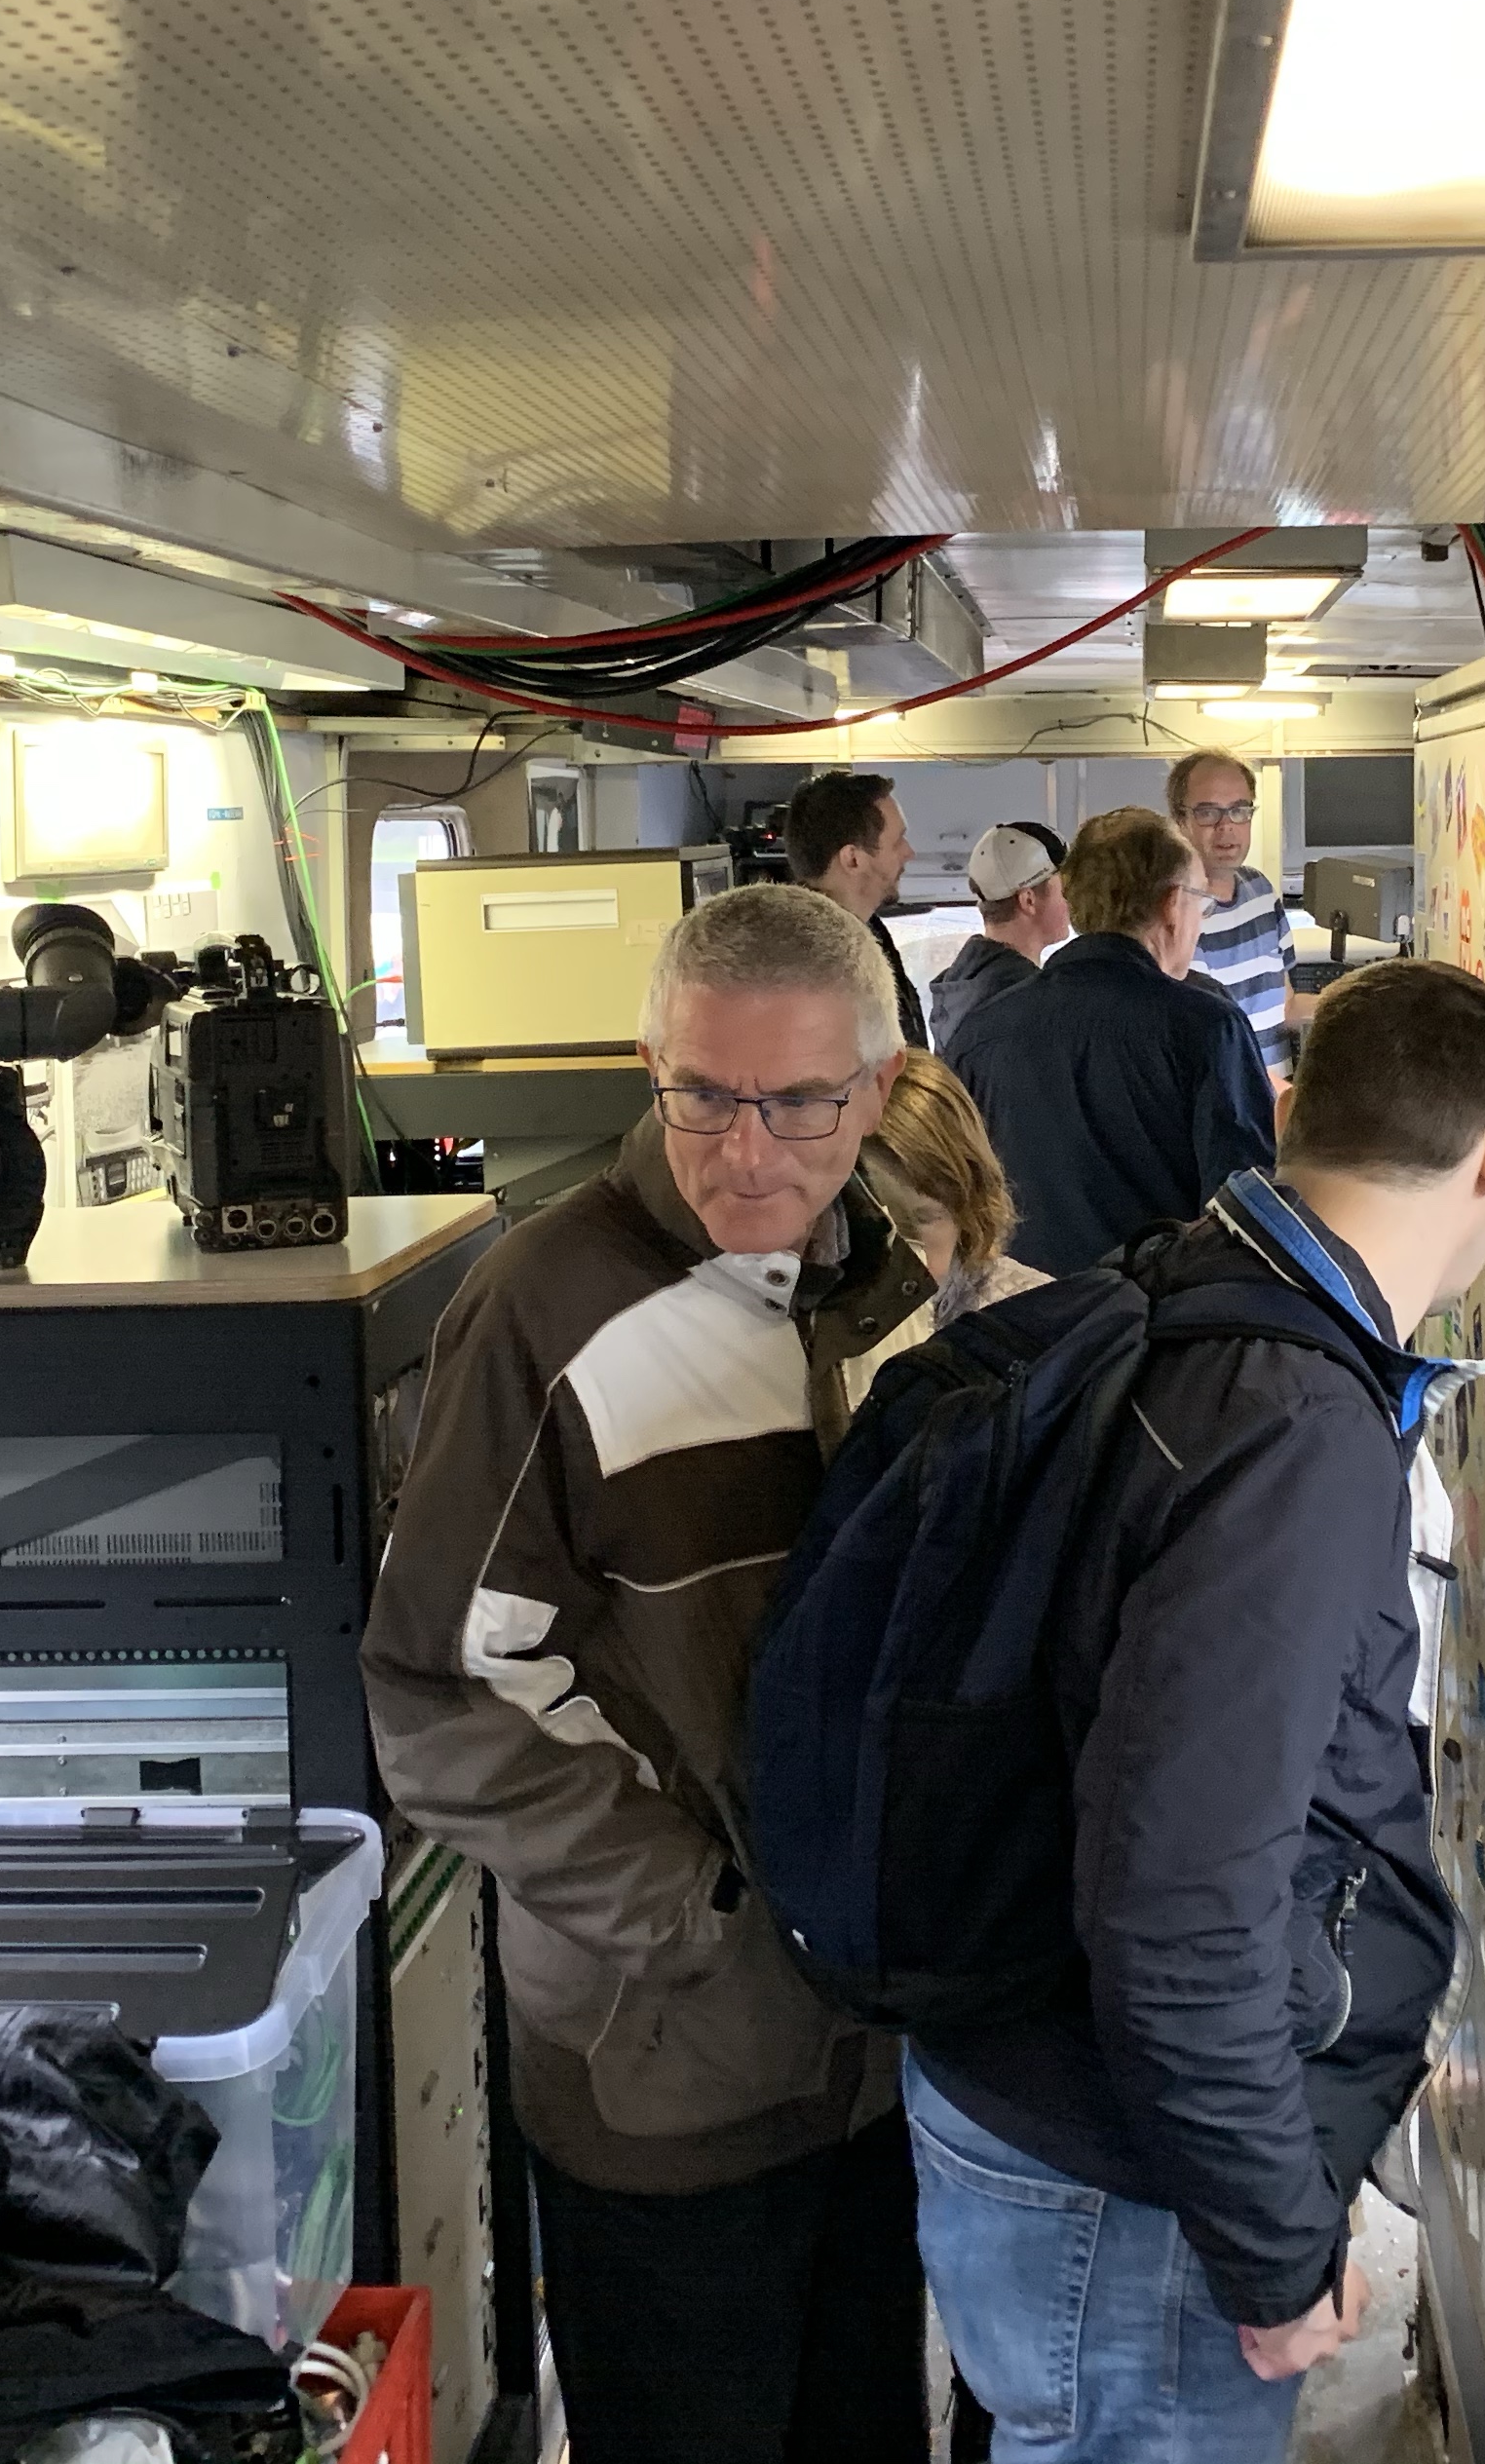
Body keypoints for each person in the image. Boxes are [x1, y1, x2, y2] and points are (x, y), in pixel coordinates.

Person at [903, 960, 1485, 2462]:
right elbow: (1180, 1898)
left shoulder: (1184, 1288)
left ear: (1293, 1109)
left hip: (1043, 2100)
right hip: (1132, 2187)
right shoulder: (1292, 1426)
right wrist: (1271, 2238)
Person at [361, 881, 936, 2464]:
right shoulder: (541, 1309)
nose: (747, 1150)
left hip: (874, 2067)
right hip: (662, 2069)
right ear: (649, 1065)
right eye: (702, 1095)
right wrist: (700, 1917)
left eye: (799, 1101)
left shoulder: (883, 1285)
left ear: (878, 1086)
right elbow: (436, 1689)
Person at [945, 807, 1275, 1274]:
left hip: (1021, 1312)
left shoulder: (978, 1035)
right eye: (1200, 902)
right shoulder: (1207, 1027)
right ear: (1172, 904)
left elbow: (960, 1206)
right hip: (1157, 1312)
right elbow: (1246, 1215)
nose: (1199, 923)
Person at [870, 1050, 1049, 1329]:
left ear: (968, 1208)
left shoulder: (1036, 1322)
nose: (898, 1252)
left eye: (919, 1221)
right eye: (873, 1218)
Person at [1169, 751, 1298, 1080]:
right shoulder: (1172, 915)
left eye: (1239, 810)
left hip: (1277, 1099)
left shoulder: (1260, 890)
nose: (1226, 827)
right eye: (1208, 812)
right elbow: (1202, 1048)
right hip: (1230, 1101)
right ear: (1179, 820)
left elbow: (1286, 1006)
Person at [785, 770, 927, 1051]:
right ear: (853, 859)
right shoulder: (812, 969)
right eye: (897, 841)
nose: (909, 852)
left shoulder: (870, 931)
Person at [929, 821, 1069, 1054]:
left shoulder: (959, 988)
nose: (1070, 899)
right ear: (1028, 900)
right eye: (1063, 889)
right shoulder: (1029, 1002)